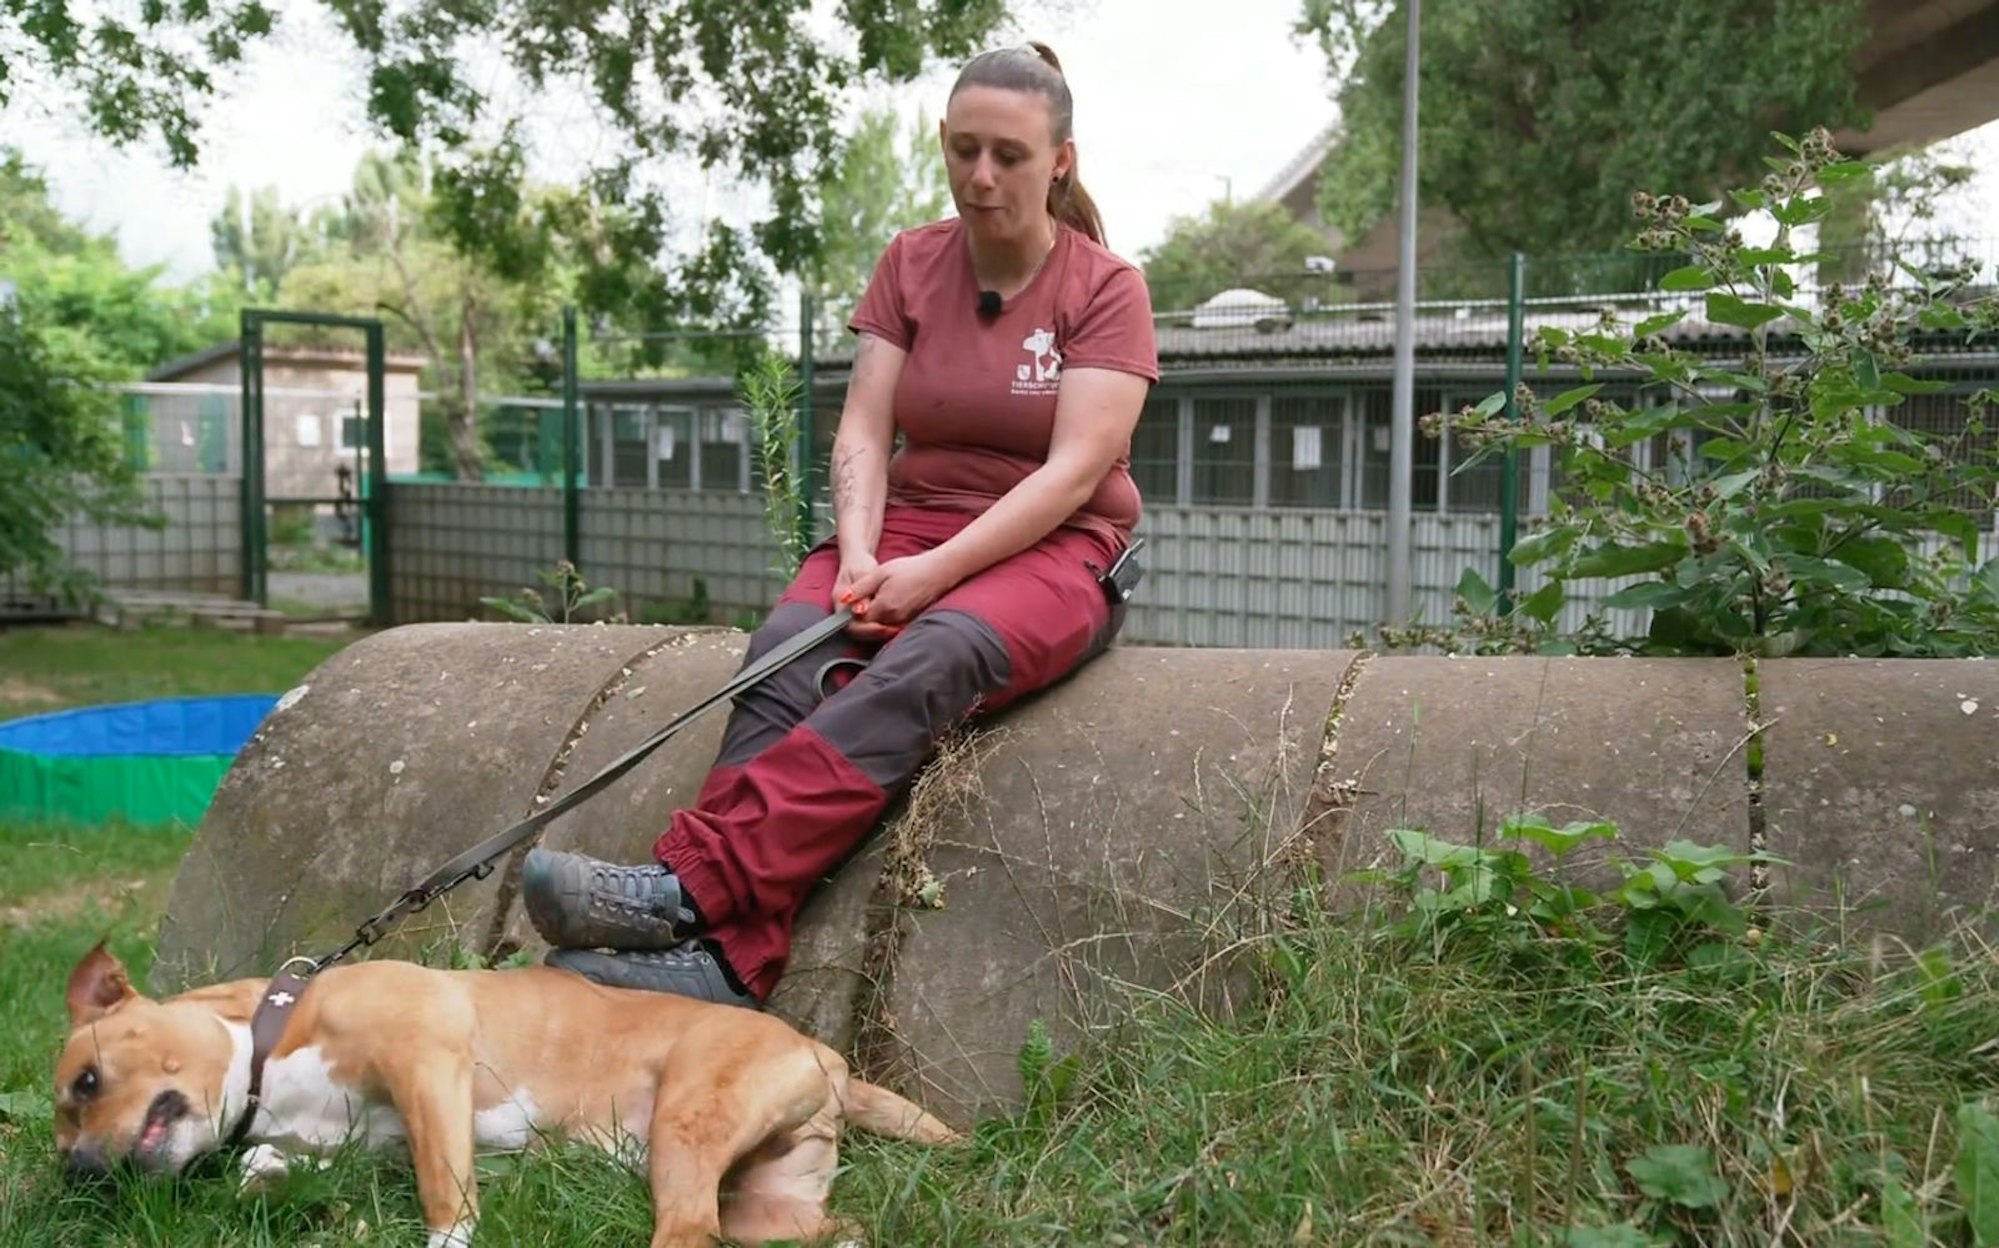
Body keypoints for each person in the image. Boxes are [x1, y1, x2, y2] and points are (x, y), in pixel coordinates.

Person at [522, 41, 1160, 1008]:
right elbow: (864, 423)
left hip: (1056, 549)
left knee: (931, 654)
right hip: (904, 525)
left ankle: (694, 888)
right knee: (786, 644)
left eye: (1011, 156)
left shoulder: (1105, 287)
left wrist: (932, 575)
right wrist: (860, 553)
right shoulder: (911, 260)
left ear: (1059, 162)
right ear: (944, 144)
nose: (980, 176)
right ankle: (730, 963)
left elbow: (1073, 475)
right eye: (964, 149)